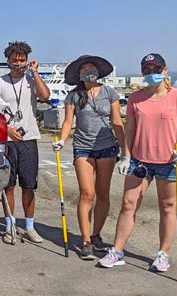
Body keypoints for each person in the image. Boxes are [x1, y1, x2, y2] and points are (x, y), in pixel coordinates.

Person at [98, 53, 177, 272]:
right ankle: (118, 250)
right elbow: (130, 130)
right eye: (147, 70)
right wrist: (126, 156)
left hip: (169, 160)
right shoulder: (136, 98)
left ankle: (162, 254)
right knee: (128, 204)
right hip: (139, 160)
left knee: (167, 207)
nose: (151, 74)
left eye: (156, 70)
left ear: (165, 71)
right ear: (142, 73)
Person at [52, 55, 126, 260]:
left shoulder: (109, 93)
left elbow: (117, 121)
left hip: (107, 148)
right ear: (79, 74)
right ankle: (85, 241)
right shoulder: (73, 96)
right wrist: (62, 140)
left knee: (103, 194)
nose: (88, 70)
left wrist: (124, 150)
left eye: (91, 67)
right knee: (87, 193)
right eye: (84, 68)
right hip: (83, 148)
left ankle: (96, 235)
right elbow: (68, 122)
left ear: (98, 70)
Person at [0, 41, 50, 244]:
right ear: (7, 61)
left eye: (22, 60)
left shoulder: (31, 80)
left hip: (29, 138)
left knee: (28, 186)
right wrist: (7, 129)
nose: (18, 64)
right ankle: (9, 227)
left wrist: (35, 74)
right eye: (14, 60)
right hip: (6, 140)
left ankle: (30, 227)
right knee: (8, 185)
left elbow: (45, 96)